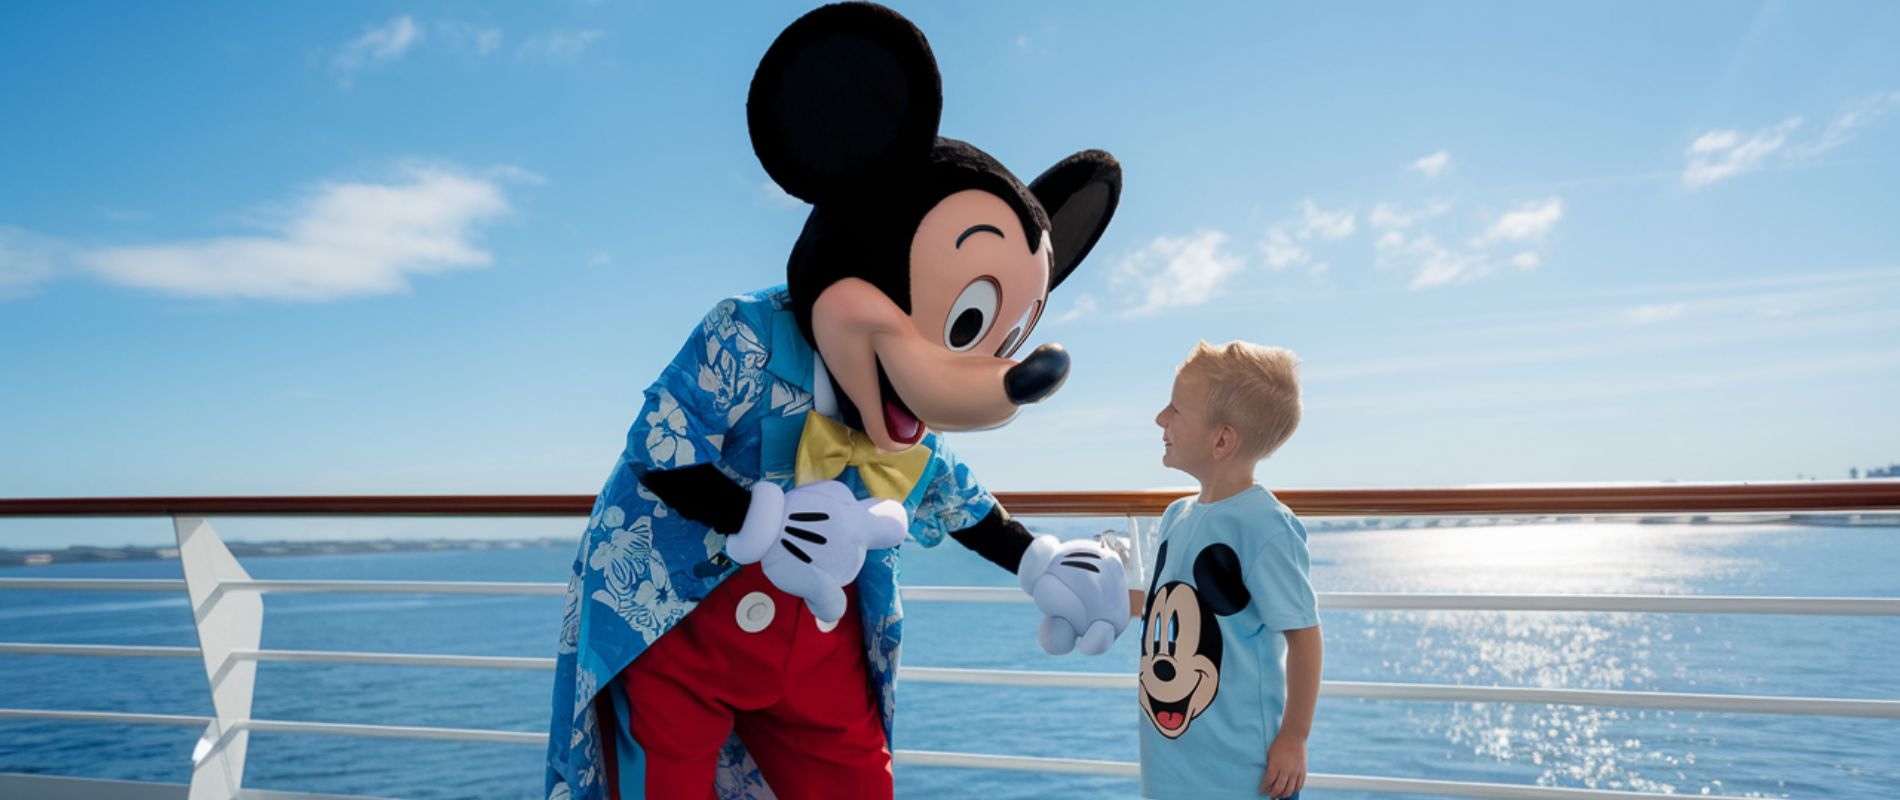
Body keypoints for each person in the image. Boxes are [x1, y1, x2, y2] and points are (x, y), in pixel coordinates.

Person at [1137, 341, 1323, 800]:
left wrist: (1294, 738)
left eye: (1176, 409)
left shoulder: (1264, 526)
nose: (1161, 418)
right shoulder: (1176, 516)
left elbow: (1305, 636)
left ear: (1221, 441)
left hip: (1240, 772)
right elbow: (1169, 605)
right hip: (1172, 764)